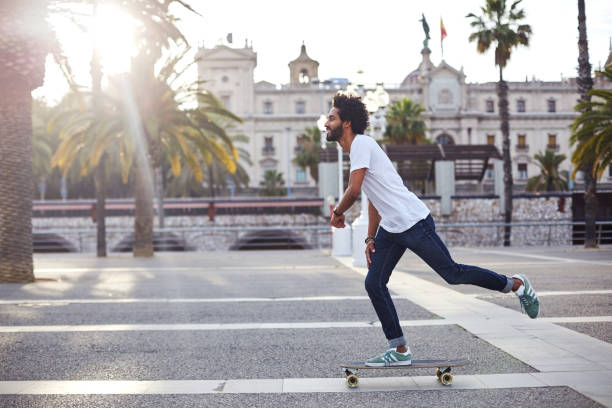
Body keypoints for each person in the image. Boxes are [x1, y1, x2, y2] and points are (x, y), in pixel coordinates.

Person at [325, 92, 540, 367]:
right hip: (391, 228)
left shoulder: (362, 144)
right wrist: (370, 236)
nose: (326, 123)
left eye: (331, 118)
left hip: (414, 222)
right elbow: (373, 198)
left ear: (346, 123)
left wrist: (338, 213)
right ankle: (399, 350)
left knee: (452, 274)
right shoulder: (357, 150)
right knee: (374, 283)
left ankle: (516, 284)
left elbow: (354, 190)